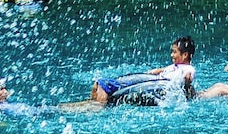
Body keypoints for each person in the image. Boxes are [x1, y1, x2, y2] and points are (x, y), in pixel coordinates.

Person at [60, 36, 197, 111]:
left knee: (104, 83)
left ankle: (98, 106)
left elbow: (186, 81)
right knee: (100, 84)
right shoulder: (175, 66)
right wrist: (158, 70)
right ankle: (95, 102)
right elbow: (165, 71)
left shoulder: (188, 70)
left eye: (174, 52)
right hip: (152, 82)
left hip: (156, 87)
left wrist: (187, 82)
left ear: (185, 55)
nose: (171, 54)